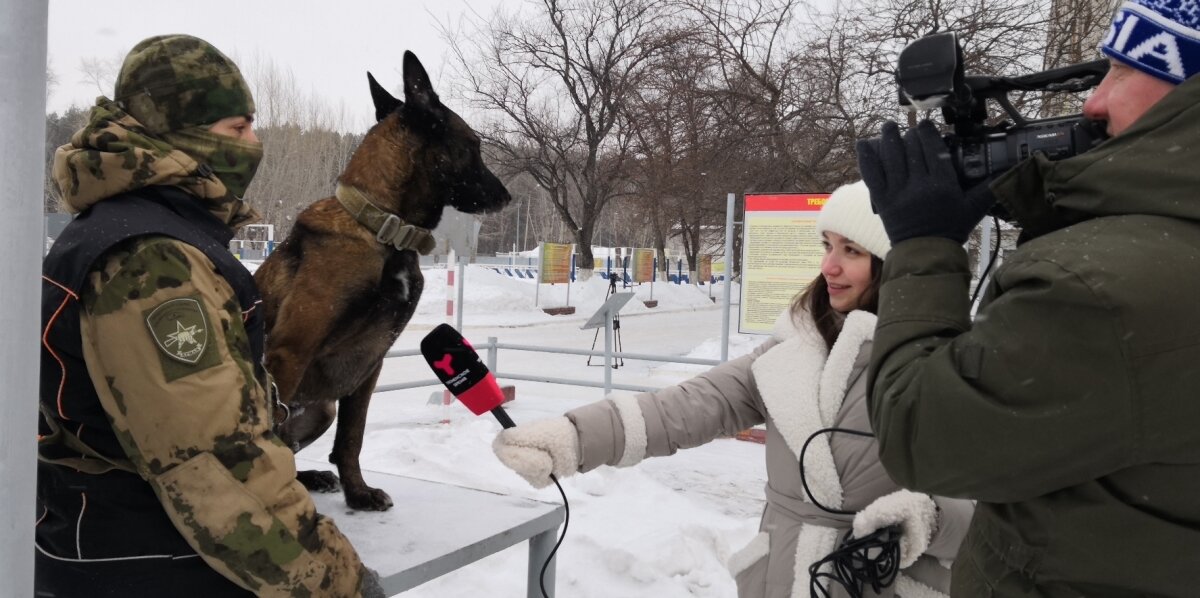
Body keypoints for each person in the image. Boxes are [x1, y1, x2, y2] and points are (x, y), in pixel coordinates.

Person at [854, 1, 1200, 595]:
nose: (1092, 103)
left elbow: (921, 433)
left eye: (1121, 72)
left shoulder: (1100, 291)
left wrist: (923, 244)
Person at [492, 182, 974, 598]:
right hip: (782, 577)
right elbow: (692, 405)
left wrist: (928, 520)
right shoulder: (797, 345)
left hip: (879, 582)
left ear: (898, 265)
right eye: (827, 246)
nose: (829, 266)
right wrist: (574, 438)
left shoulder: (949, 365)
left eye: (852, 251)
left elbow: (999, 512)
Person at [37, 35, 381, 597]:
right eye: (237, 128)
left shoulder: (124, 228)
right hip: (153, 561)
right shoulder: (152, 261)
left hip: (122, 545)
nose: (254, 143)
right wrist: (335, 579)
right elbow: (214, 462)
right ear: (178, 134)